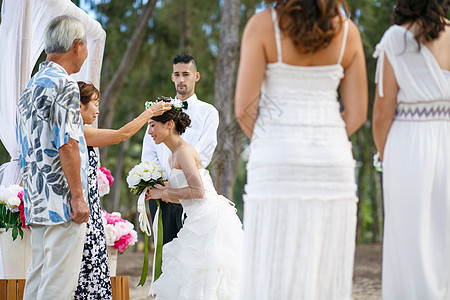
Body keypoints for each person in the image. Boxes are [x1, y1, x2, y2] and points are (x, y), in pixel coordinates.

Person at [235, 1, 368, 299]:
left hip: (276, 156)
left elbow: (245, 111)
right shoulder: (348, 32)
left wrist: (277, 144)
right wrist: (323, 138)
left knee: (272, 263)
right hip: (333, 161)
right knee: (324, 266)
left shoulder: (262, 25)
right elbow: (358, 114)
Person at [372, 0, 450, 298]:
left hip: (409, 146)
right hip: (447, 139)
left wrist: (384, 155)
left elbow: (381, 114)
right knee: (444, 237)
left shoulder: (396, 38)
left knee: (410, 239)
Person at [16, 16, 91, 299]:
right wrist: (78, 196)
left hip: (36, 198)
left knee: (38, 275)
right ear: (77, 45)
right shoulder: (66, 85)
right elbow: (68, 144)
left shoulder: (30, 86)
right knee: (59, 283)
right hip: (62, 202)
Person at [74, 82, 171, 299]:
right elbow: (120, 135)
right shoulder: (79, 132)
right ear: (79, 106)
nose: (98, 110)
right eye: (95, 104)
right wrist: (149, 114)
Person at [144, 98, 243, 299]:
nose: (149, 132)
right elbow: (184, 195)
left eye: (152, 125)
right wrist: (157, 191)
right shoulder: (173, 155)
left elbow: (198, 192)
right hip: (195, 219)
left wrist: (164, 193)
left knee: (207, 279)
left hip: (209, 221)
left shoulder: (184, 152)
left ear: (169, 125)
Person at [141, 54, 219, 279]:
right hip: (161, 193)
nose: (181, 79)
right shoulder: (157, 111)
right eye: (177, 74)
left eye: (186, 74)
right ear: (172, 77)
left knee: (191, 257)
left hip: (189, 192)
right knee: (166, 257)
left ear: (196, 76)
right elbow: (149, 152)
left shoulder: (208, 112)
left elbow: (203, 151)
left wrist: (178, 181)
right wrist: (159, 181)